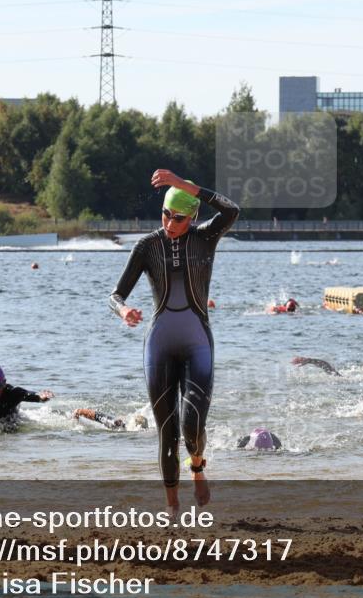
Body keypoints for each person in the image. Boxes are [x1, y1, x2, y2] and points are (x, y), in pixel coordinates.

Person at [109, 169, 239, 511]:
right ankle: (173, 511)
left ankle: (197, 466)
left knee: (192, 426)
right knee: (167, 436)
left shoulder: (205, 237)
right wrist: (123, 311)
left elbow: (232, 211)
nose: (170, 222)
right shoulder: (147, 245)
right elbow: (115, 295)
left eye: (179, 217)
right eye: (166, 214)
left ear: (192, 216)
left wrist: (184, 186)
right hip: (159, 345)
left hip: (198, 344)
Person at [73, 408, 149, 431]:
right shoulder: (118, 425)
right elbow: (95, 416)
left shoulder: (126, 427)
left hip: (114, 421)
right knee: (79, 412)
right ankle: (76, 412)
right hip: (110, 421)